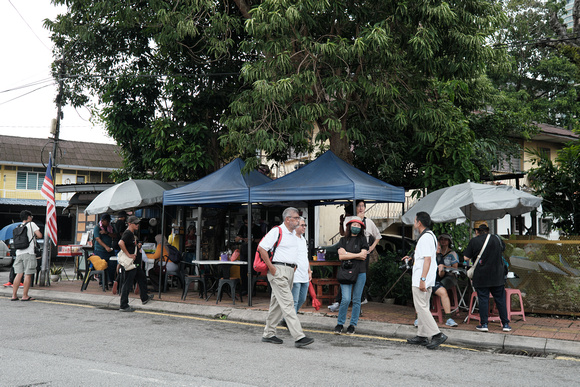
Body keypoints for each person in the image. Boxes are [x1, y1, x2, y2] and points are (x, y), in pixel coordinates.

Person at [258, 207, 314, 348]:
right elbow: (261, 248)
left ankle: (268, 334)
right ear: (287, 219)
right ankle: (299, 336)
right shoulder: (277, 231)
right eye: (295, 218)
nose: (298, 220)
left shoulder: (293, 235)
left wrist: (294, 266)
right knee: (288, 303)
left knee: (277, 305)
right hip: (278, 270)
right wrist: (271, 268)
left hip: (289, 271)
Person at [403, 211, 448, 349]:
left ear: (419, 222)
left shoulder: (425, 238)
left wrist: (422, 279)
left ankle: (436, 334)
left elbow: (427, 259)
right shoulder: (431, 236)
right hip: (427, 277)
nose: (414, 223)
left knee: (421, 307)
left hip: (422, 278)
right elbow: (426, 257)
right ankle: (422, 335)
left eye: (415, 220)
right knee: (423, 306)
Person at [463, 221, 511, 332]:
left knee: (483, 299)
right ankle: (505, 325)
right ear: (487, 230)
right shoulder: (497, 239)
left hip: (481, 275)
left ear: (476, 231)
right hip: (497, 275)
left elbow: (466, 257)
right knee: (500, 300)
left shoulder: (474, 241)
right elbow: (503, 249)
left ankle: (484, 324)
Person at [334, 217, 369, 335]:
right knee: (345, 299)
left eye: (359, 226)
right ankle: (340, 323)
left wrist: (348, 254)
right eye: (354, 225)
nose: (356, 227)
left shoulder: (363, 239)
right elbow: (341, 257)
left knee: (356, 300)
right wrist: (357, 255)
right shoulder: (343, 240)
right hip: (346, 272)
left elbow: (364, 256)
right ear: (349, 226)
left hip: (360, 272)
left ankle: (353, 324)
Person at [281, 217, 311, 327]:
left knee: (302, 298)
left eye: (305, 225)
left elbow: (305, 256)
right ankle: (291, 322)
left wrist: (309, 270)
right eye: (302, 225)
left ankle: (287, 318)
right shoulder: (291, 238)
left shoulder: (303, 239)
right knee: (294, 301)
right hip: (295, 274)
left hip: (304, 274)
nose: (304, 227)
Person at [119, 216, 153, 312]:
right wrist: (129, 254)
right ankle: (123, 305)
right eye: (135, 223)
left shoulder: (132, 234)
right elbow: (121, 243)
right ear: (129, 224)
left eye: (138, 223)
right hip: (131, 264)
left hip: (135, 264)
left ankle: (144, 297)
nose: (137, 225)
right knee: (127, 283)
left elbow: (128, 244)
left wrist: (137, 245)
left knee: (142, 278)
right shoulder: (128, 233)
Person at [11, 210, 42, 301]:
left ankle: (14, 295)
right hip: (29, 252)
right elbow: (39, 235)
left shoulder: (18, 226)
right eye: (31, 216)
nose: (31, 217)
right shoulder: (31, 224)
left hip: (19, 253)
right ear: (28, 217)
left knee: (18, 274)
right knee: (28, 274)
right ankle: (25, 295)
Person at [434, 233, 459, 327]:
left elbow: (455, 268)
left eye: (446, 239)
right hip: (438, 276)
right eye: (441, 239)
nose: (443, 241)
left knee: (441, 286)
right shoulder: (437, 254)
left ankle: (446, 314)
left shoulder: (452, 254)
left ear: (449, 241)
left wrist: (444, 267)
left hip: (450, 276)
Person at [93, 214, 117, 285]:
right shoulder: (97, 227)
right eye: (107, 221)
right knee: (103, 265)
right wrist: (105, 247)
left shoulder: (110, 227)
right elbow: (97, 239)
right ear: (102, 221)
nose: (108, 223)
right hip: (100, 250)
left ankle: (110, 280)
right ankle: (102, 281)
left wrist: (107, 233)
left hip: (109, 249)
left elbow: (115, 235)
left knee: (112, 264)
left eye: (109, 221)